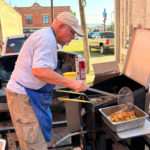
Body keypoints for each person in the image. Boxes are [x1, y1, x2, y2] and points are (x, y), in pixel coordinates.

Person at [6, 12, 87, 150]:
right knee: (34, 145)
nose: (73, 38)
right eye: (72, 32)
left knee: (40, 139)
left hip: (31, 95)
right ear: (61, 26)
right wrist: (72, 83)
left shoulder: (48, 37)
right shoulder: (46, 39)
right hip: (23, 97)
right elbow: (40, 71)